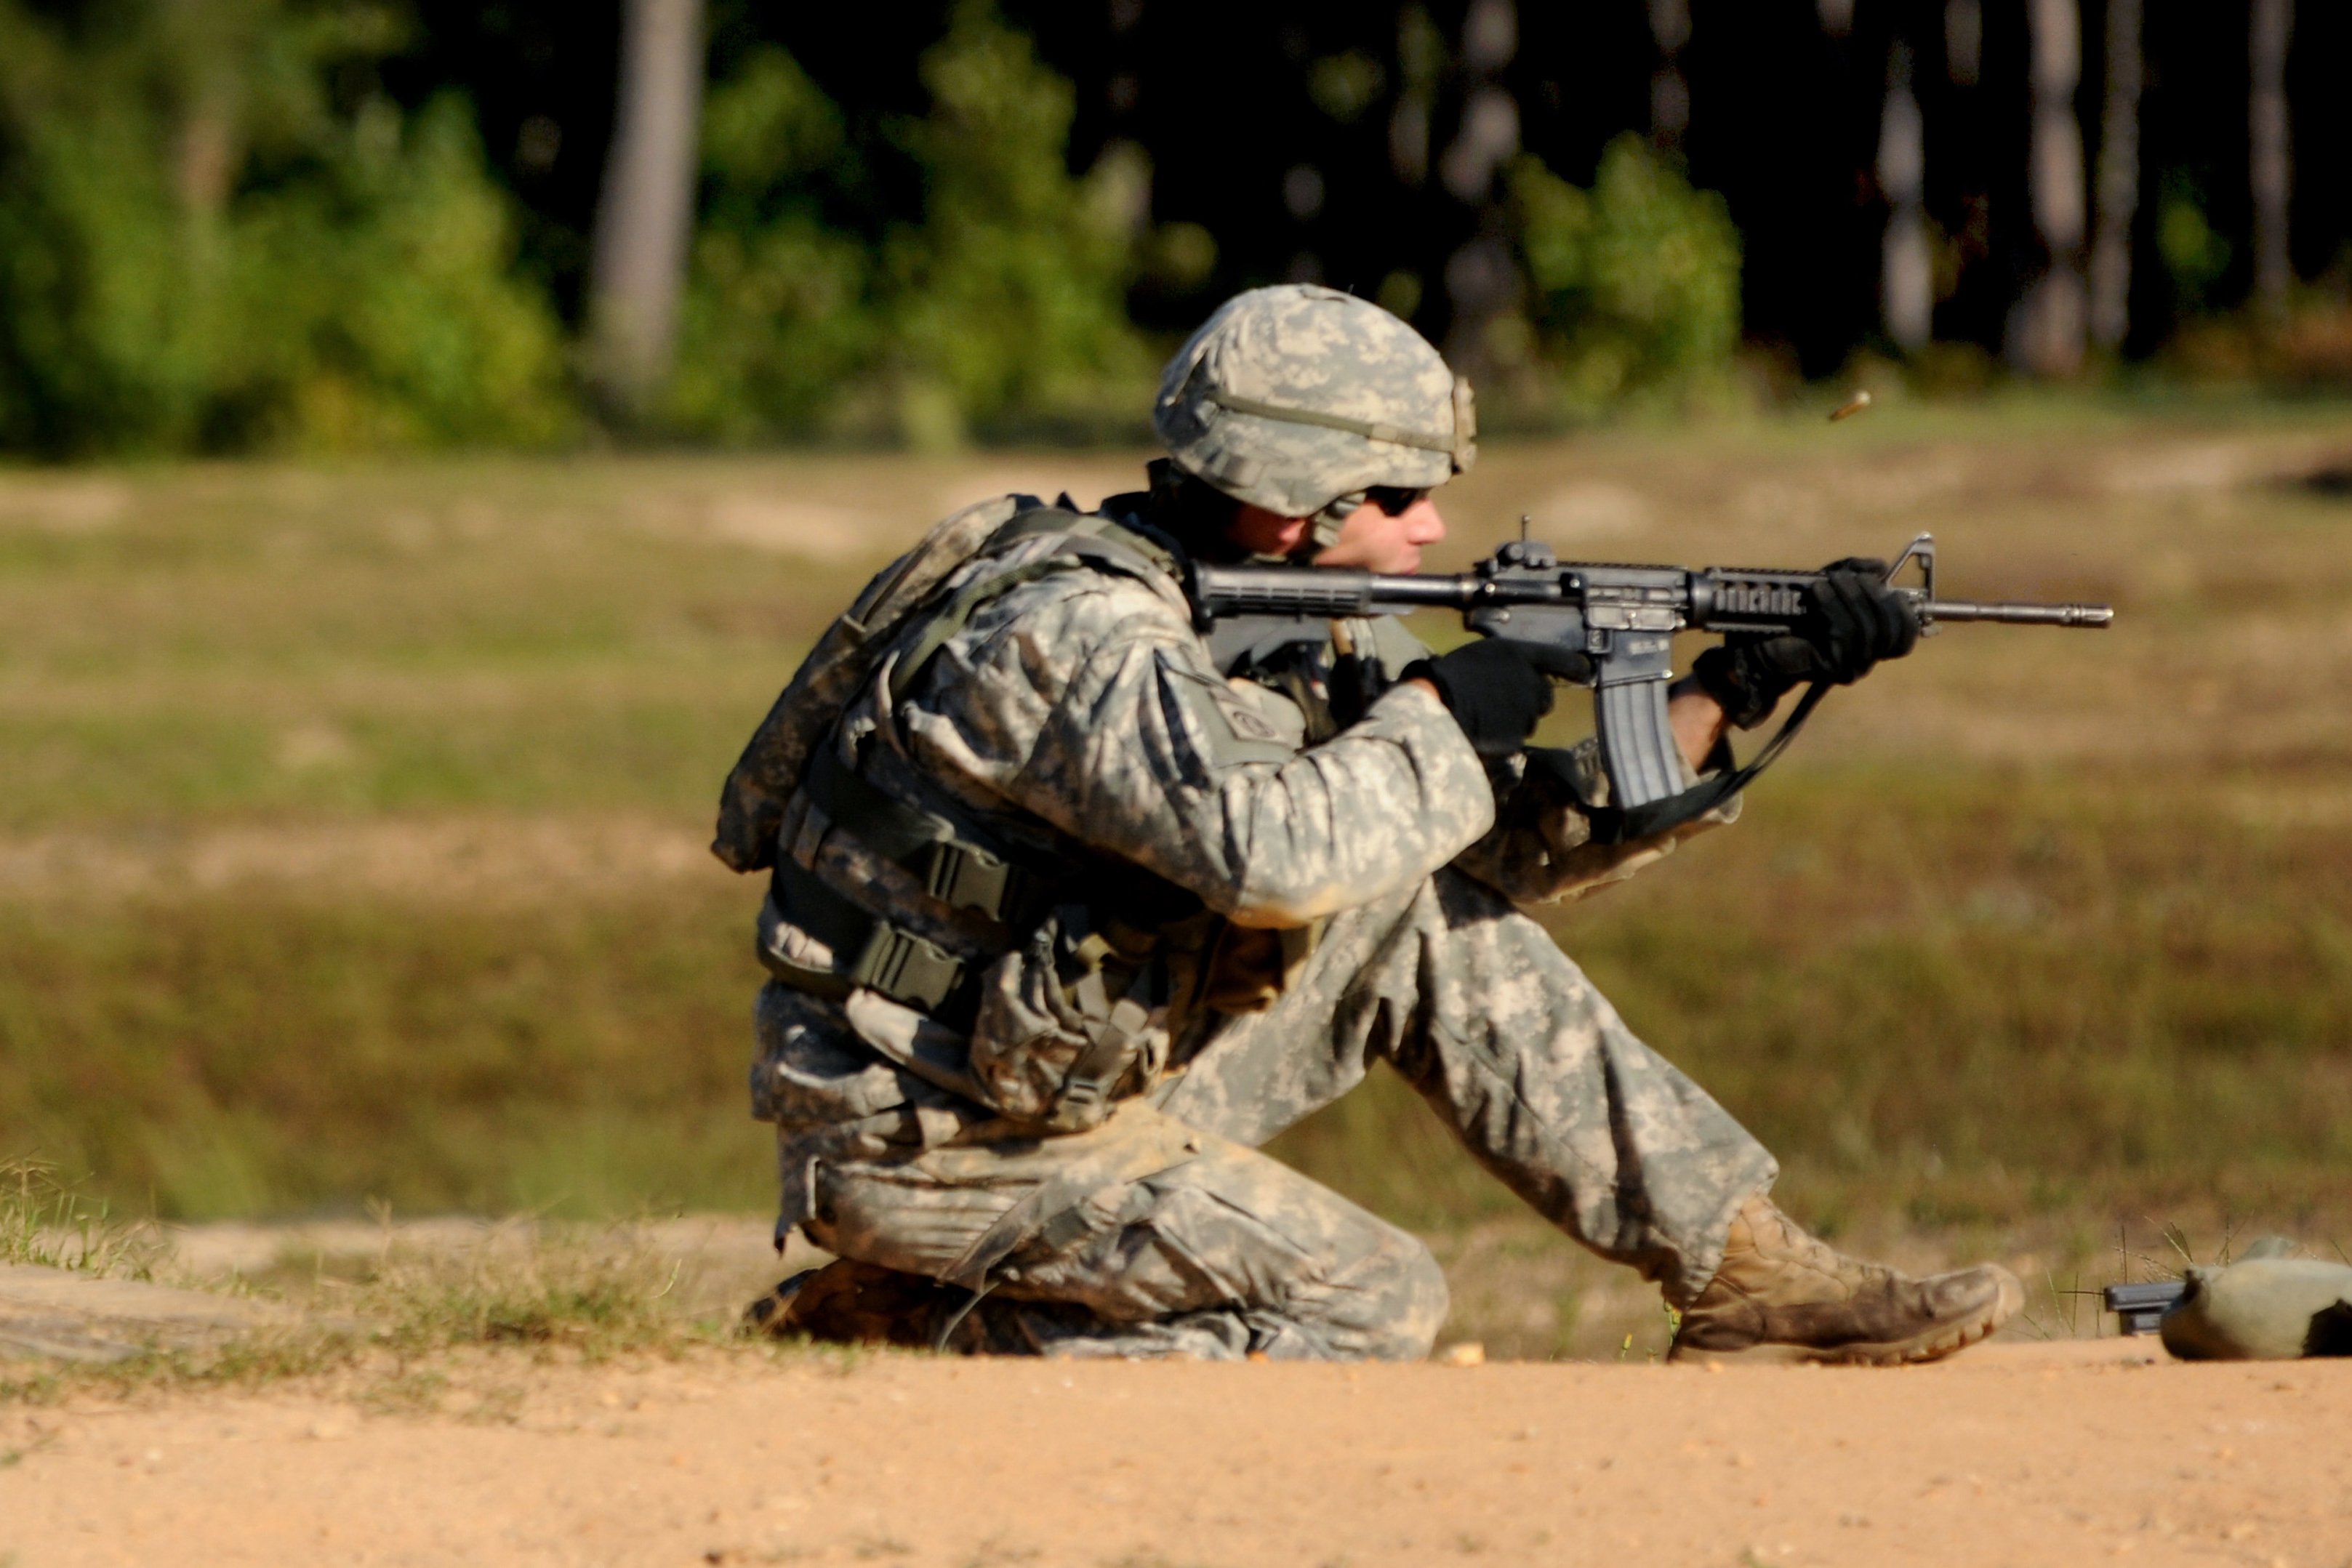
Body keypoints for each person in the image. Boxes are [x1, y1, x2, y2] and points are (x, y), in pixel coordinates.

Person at [714, 284, 2020, 1364]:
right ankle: (929, 1332)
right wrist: (1451, 707)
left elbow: (1484, 849)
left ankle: (1740, 1271)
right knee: (1371, 1305)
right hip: (932, 1140)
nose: (1433, 528)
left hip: (1045, 1073)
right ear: (1297, 502)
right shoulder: (1077, 636)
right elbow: (1273, 856)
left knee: (1429, 912)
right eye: (1398, 500)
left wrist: (1728, 692)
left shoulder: (1271, 613)